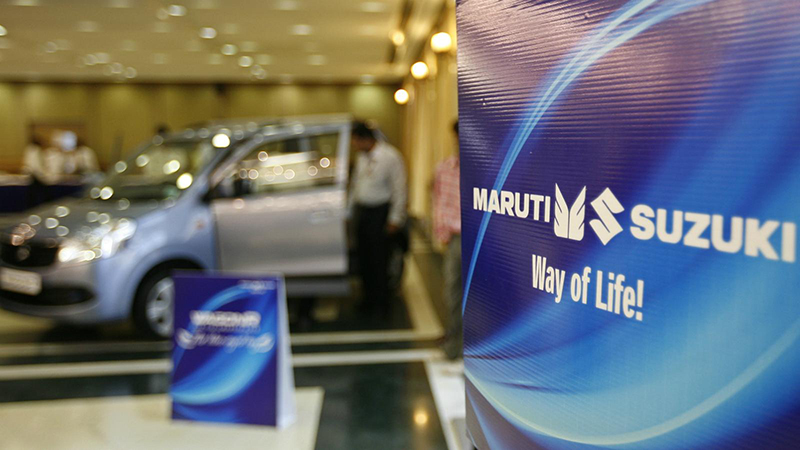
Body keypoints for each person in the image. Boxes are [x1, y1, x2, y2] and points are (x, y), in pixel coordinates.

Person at [349, 121, 408, 317]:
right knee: (364, 259)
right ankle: (367, 298)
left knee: (379, 260)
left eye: (355, 141)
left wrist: (395, 218)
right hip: (363, 212)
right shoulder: (361, 157)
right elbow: (355, 185)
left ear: (364, 139)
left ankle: (382, 303)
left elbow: (400, 188)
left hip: (381, 213)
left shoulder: (390, 156)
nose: (354, 145)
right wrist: (349, 212)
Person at [433, 120, 462, 360]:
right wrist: (441, 231)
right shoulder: (445, 168)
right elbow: (439, 201)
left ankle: (466, 341)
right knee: (452, 290)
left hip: (481, 241)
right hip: (456, 238)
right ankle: (453, 338)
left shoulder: (485, 167)